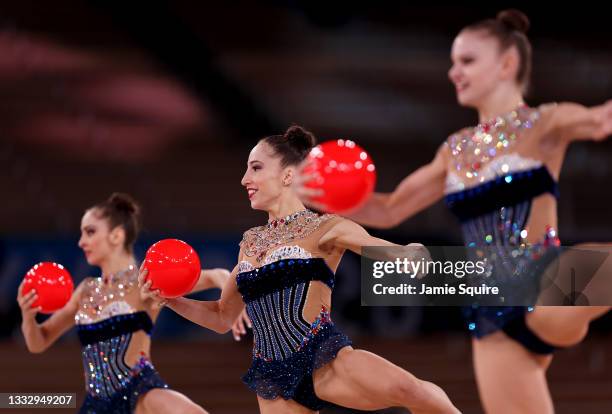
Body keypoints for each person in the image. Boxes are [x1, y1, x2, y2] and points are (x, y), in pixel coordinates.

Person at [321, 9, 611, 413]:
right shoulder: (454, 150)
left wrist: (602, 117)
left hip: (547, 286)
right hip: (492, 314)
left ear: (507, 64)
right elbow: (387, 210)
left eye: (467, 60)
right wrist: (320, 191)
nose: (454, 71)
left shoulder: (545, 123)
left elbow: (598, 120)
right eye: (453, 61)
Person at [141, 126, 460, 414]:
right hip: (272, 381)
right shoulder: (249, 243)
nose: (244, 180)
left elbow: (368, 243)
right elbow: (222, 317)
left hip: (325, 359)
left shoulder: (325, 226)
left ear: (288, 176)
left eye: (255, 168)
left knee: (409, 390)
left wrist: (405, 254)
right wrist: (171, 299)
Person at [17, 192, 230, 413]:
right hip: (95, 403)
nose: (81, 242)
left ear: (116, 236)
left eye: (90, 232)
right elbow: (38, 342)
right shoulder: (85, 291)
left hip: (138, 391)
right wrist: (28, 315)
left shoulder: (144, 281)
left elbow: (215, 275)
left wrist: (229, 300)